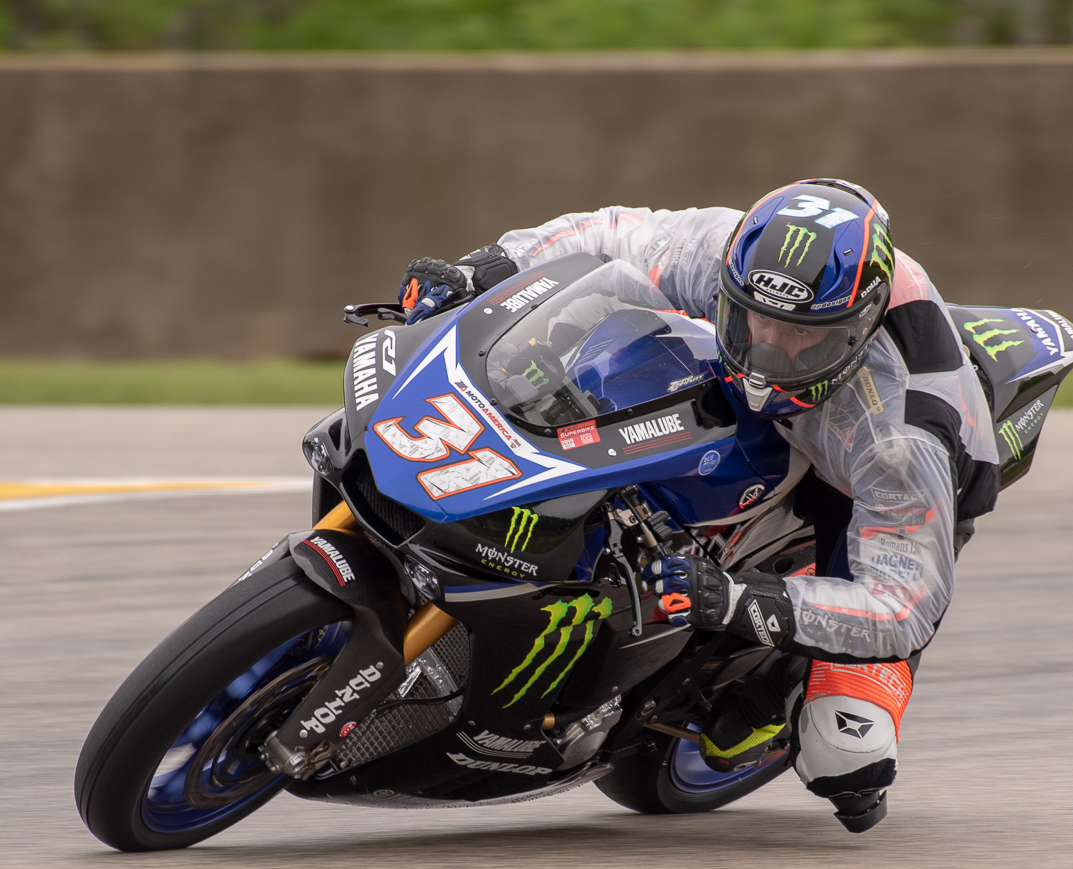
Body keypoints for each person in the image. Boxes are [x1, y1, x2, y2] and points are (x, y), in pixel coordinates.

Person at [397, 179, 999, 832]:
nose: (770, 350)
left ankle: (775, 695)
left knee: (843, 756)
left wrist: (733, 600)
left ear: (857, 332)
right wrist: (483, 269)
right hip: (772, 411)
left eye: (804, 339)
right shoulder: (727, 254)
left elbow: (898, 608)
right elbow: (609, 235)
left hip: (860, 488)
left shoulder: (901, 441)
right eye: (755, 321)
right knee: (603, 330)